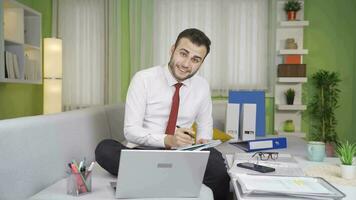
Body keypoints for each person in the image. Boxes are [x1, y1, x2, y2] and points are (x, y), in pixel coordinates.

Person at [95, 28, 230, 200]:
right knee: (104, 149)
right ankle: (171, 176)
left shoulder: (202, 86)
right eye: (183, 54)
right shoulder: (143, 79)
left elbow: (205, 127)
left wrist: (202, 142)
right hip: (143, 153)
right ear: (172, 50)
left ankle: (154, 176)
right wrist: (167, 139)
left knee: (218, 166)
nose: (187, 64)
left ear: (201, 63)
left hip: (182, 154)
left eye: (195, 59)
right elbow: (130, 131)